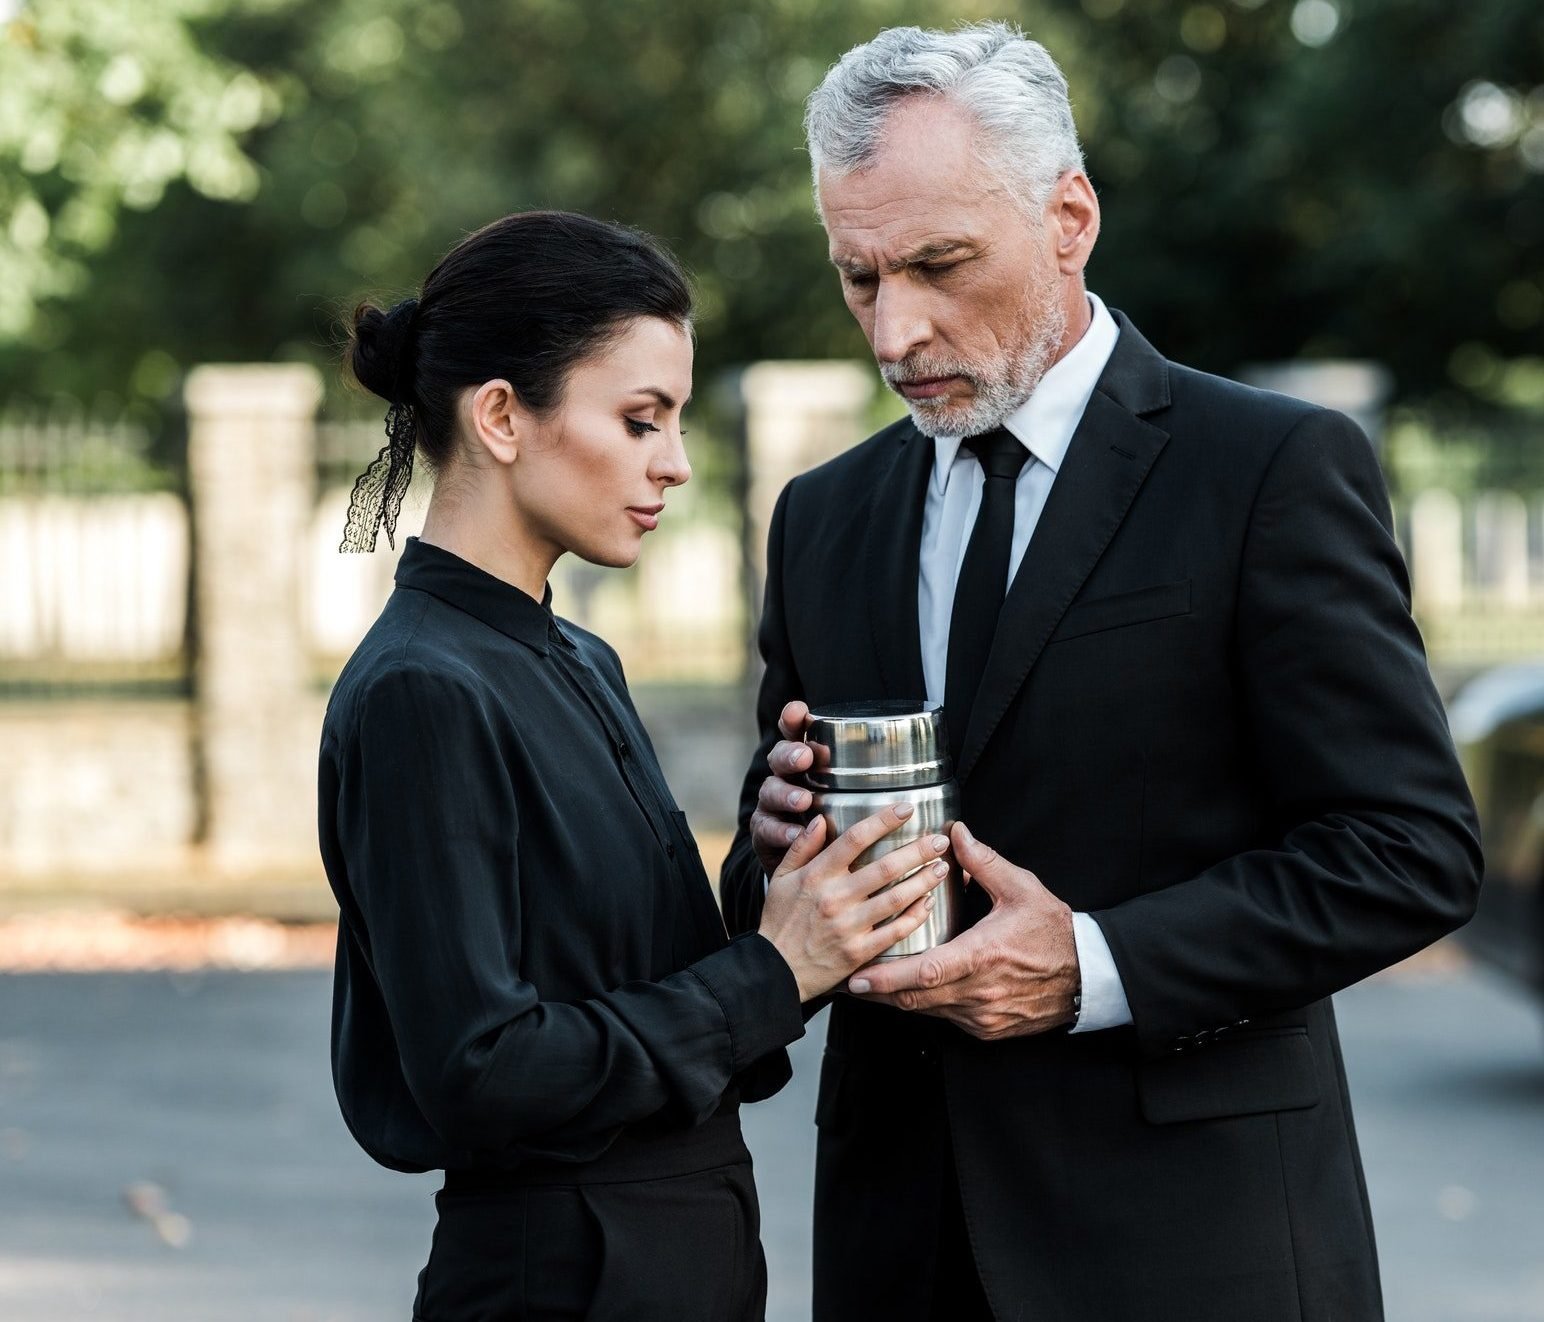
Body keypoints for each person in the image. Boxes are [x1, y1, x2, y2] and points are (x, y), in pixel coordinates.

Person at [718, 24, 1482, 1322]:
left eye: (940, 264)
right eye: (860, 279)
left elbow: (1409, 848)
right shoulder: (821, 517)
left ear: (1069, 216)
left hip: (1198, 1249)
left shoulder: (1268, 472)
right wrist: (775, 853)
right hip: (899, 1246)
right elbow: (765, 882)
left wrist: (1093, 962)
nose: (896, 331)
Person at [317, 210, 949, 1321]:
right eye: (640, 419)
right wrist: (774, 969)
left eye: (677, 421)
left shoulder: (574, 654)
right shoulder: (424, 689)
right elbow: (482, 1070)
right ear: (503, 416)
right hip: (561, 1276)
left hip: (678, 1256)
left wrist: (776, 869)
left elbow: (639, 986)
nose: (678, 462)